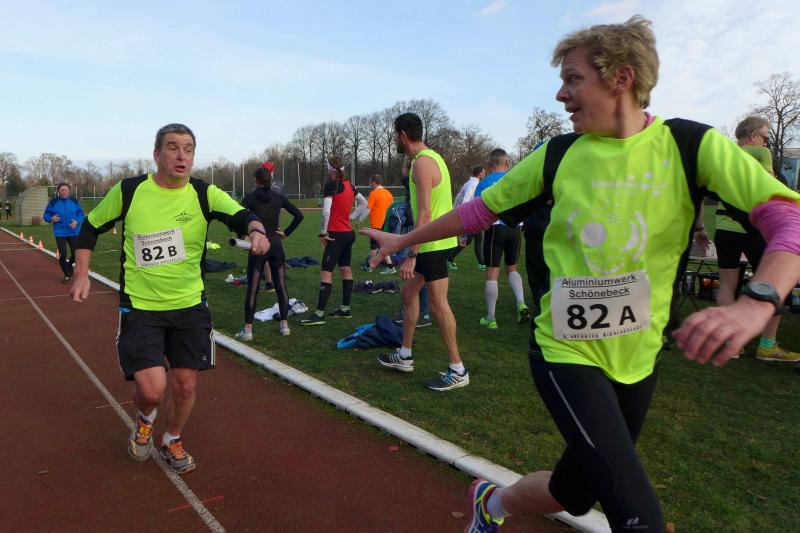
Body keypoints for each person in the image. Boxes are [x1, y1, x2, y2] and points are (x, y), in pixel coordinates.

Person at [362, 17, 800, 532]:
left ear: (621, 78)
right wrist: (403, 240)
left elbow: (789, 219)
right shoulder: (557, 155)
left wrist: (757, 301)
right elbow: (478, 213)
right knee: (637, 515)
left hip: (638, 357)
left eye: (573, 79)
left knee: (575, 492)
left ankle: (491, 503)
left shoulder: (691, 145)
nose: (560, 94)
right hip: (564, 350)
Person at [70, 123, 268, 474]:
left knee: (186, 385)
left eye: (188, 149)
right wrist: (82, 272)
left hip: (189, 306)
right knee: (151, 391)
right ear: (157, 154)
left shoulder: (203, 193)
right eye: (173, 147)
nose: (181, 155)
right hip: (141, 307)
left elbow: (243, 215)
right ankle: (145, 419)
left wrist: (257, 231)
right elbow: (90, 226)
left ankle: (171, 438)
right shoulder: (130, 190)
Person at [375, 112, 467, 391]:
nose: (394, 139)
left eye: (395, 135)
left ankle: (458, 369)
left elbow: (425, 214)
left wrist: (412, 256)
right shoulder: (428, 159)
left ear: (403, 135)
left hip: (433, 245)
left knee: (438, 305)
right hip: (431, 242)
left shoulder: (423, 163)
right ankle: (405, 355)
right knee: (408, 293)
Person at [705, 116, 800, 362]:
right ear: (753, 135)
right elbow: (769, 186)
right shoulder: (761, 152)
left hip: (724, 227)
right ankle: (767, 345)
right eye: (766, 136)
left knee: (727, 284)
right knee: (775, 285)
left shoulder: (723, 153)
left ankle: (732, 343)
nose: (767, 142)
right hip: (753, 226)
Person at [235, 161, 304, 340]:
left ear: (256, 180)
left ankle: (248, 331)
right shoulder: (278, 197)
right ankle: (284, 326)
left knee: (252, 288)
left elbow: (238, 218)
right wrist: (286, 232)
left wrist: (244, 235)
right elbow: (299, 215)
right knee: (281, 286)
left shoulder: (249, 198)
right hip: (275, 245)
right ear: (269, 180)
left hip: (258, 246)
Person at [300, 155, 365, 325]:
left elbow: (326, 211)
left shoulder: (332, 185)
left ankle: (319, 314)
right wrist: (352, 218)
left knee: (326, 272)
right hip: (348, 234)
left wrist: (323, 233)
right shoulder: (349, 185)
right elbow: (364, 204)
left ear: (331, 169)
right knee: (345, 269)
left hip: (336, 235)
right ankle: (345, 309)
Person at [473, 149, 531, 328]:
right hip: (515, 228)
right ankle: (521, 303)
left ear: (490, 164)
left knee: (492, 271)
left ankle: (491, 318)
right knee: (512, 267)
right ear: (506, 163)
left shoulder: (484, 183)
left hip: (495, 228)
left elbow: (477, 210)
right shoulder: (515, 180)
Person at [43, 182, 85, 283]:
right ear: (58, 191)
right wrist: (51, 218)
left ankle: (69, 264)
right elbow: (46, 215)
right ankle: (66, 275)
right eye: (62, 190)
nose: (64, 192)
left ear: (69, 190)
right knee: (63, 253)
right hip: (60, 232)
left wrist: (77, 222)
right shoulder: (53, 202)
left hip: (74, 232)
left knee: (76, 254)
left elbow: (81, 215)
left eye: (66, 190)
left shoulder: (74, 201)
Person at [447, 165, 486, 271]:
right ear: (480, 173)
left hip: (474, 216)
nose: (485, 173)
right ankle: (449, 259)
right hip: (470, 217)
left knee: (477, 239)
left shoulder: (471, 183)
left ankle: (482, 263)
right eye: (484, 172)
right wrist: (467, 217)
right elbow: (466, 200)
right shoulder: (473, 184)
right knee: (468, 240)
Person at [364, 175, 396, 274]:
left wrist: (360, 219)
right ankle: (389, 266)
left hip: (376, 224)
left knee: (374, 246)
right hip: (386, 224)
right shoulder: (388, 193)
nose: (369, 184)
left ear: (374, 182)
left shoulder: (374, 193)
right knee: (382, 246)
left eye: (370, 182)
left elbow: (368, 209)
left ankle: (370, 266)